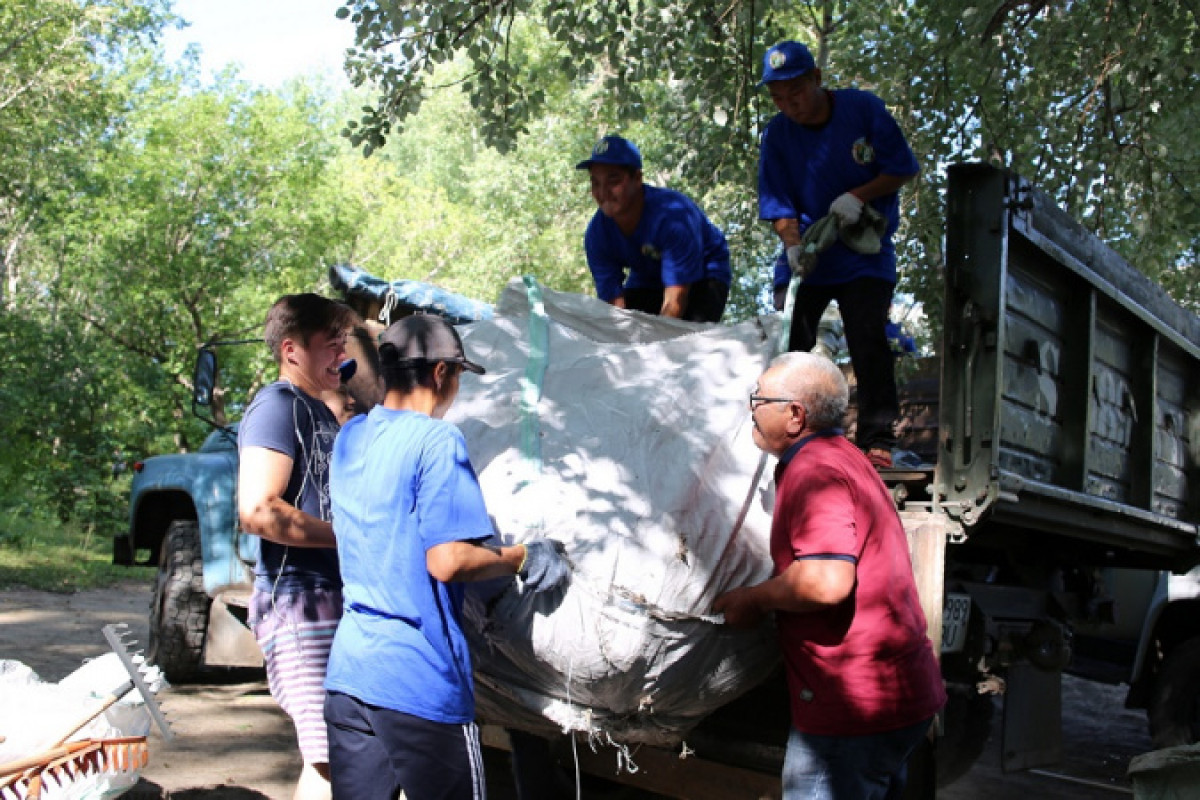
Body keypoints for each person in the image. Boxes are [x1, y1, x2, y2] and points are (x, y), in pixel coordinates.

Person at [324, 313, 571, 800]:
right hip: (417, 681)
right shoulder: (436, 440)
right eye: (459, 376)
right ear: (441, 374)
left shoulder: (351, 437)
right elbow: (448, 561)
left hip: (350, 674)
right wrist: (521, 555)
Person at [713, 351, 945, 800]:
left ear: (795, 415)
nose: (751, 410)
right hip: (892, 701)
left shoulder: (815, 469)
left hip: (853, 712)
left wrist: (754, 599)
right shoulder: (844, 456)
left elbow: (826, 581)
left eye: (758, 399)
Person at [757, 39, 920, 468]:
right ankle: (789, 439)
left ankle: (877, 439)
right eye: (778, 98)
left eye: (795, 93)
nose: (788, 105)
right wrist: (792, 247)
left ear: (817, 79)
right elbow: (778, 206)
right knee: (789, 344)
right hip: (811, 254)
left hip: (863, 254)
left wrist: (857, 196)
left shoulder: (862, 110)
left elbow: (902, 167)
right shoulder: (776, 135)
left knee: (867, 337)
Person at [237, 293, 357, 800]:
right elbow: (259, 510)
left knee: (352, 751)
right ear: (291, 350)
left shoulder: (321, 411)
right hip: (300, 600)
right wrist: (350, 537)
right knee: (328, 759)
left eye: (344, 342)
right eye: (332, 344)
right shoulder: (276, 407)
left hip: (334, 595)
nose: (343, 354)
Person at [577, 135, 732, 322]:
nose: (603, 192)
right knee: (628, 331)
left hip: (703, 274)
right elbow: (614, 308)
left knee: (686, 338)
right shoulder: (597, 235)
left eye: (613, 181)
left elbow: (675, 301)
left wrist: (658, 348)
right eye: (595, 183)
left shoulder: (674, 216)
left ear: (637, 178)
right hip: (647, 278)